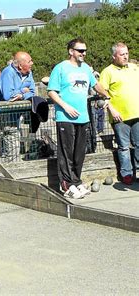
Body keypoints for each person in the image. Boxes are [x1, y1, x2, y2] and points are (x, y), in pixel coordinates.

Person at [48, 37, 109, 198]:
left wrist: (107, 94)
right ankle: (66, 183)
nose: (84, 53)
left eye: (85, 50)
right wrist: (65, 106)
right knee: (66, 151)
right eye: (80, 50)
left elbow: (95, 85)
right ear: (71, 51)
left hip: (83, 117)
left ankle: (76, 180)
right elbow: (51, 91)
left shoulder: (86, 69)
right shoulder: (61, 68)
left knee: (79, 152)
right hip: (66, 116)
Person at [100, 42, 139, 185]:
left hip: (137, 113)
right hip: (119, 116)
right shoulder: (107, 72)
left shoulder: (135, 68)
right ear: (114, 56)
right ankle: (127, 174)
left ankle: (138, 171)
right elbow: (102, 93)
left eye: (127, 53)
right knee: (123, 146)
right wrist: (111, 108)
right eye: (122, 54)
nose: (125, 56)